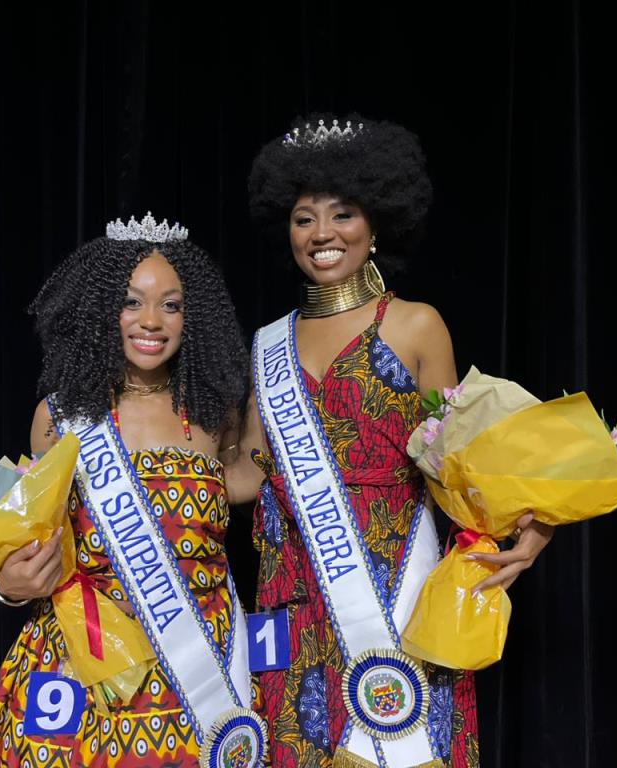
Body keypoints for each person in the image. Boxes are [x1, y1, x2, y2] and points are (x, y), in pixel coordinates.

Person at [225, 115, 554, 768]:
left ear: (375, 225)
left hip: (396, 586)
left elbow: (462, 462)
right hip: (294, 595)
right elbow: (245, 475)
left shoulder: (415, 325)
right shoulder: (267, 344)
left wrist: (538, 523)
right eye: (304, 218)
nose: (322, 233)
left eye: (342, 214)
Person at [0, 213, 264, 768]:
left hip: (197, 662)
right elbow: (34, 544)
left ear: (193, 316)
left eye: (171, 305)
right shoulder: (60, 417)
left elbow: (249, 478)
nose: (151, 320)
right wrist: (7, 587)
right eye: (131, 302)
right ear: (101, 308)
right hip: (87, 658)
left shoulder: (213, 413)